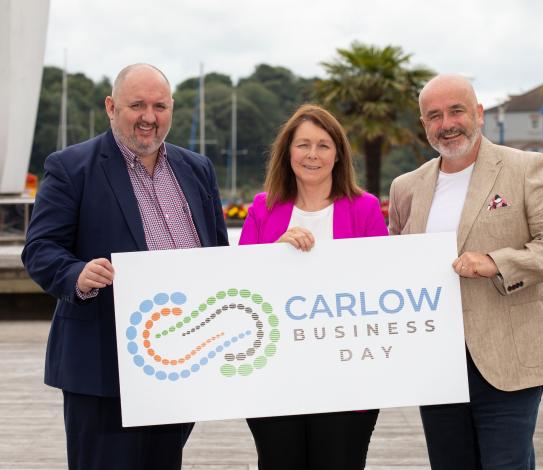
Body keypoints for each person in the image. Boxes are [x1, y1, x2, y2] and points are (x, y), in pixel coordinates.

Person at [22, 63, 228, 470]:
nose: (149, 118)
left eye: (159, 106)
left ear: (171, 109)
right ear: (111, 107)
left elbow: (218, 255)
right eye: (137, 105)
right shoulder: (71, 167)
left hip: (180, 364)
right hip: (103, 369)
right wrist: (76, 275)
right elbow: (41, 248)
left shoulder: (197, 169)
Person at [388, 74, 543, 469]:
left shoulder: (527, 167)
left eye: (456, 110)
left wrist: (498, 262)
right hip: (436, 365)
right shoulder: (406, 187)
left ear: (478, 113)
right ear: (424, 124)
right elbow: (395, 264)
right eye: (434, 115)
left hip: (509, 360)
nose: (447, 123)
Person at [239, 104, 387, 470]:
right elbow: (240, 287)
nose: (312, 154)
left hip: (347, 378)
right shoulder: (263, 208)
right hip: (273, 375)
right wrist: (275, 255)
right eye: (303, 144)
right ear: (287, 152)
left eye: (323, 145)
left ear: (338, 154)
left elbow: (384, 282)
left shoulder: (365, 208)